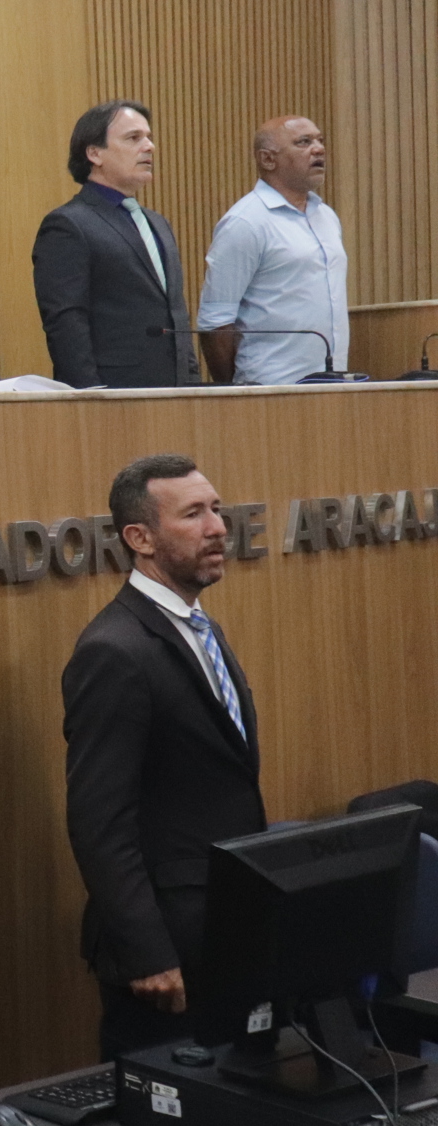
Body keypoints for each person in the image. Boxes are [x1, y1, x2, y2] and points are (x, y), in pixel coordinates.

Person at [63, 455, 266, 1059]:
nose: (218, 528)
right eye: (194, 514)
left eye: (217, 510)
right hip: (167, 955)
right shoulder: (114, 651)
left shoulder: (199, 628)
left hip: (224, 935)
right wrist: (147, 952)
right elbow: (99, 822)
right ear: (140, 538)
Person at [32, 100, 198, 388]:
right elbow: (66, 323)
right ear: (95, 153)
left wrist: (193, 385)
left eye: (149, 137)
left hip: (175, 392)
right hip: (114, 394)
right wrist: (91, 397)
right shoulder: (68, 225)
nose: (149, 147)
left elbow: (176, 315)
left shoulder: (157, 223)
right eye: (133, 138)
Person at [196, 117, 347, 384]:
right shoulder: (246, 222)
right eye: (304, 142)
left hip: (332, 383)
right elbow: (215, 321)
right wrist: (235, 394)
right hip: (270, 388)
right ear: (267, 159)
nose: (319, 149)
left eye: (320, 140)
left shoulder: (326, 216)